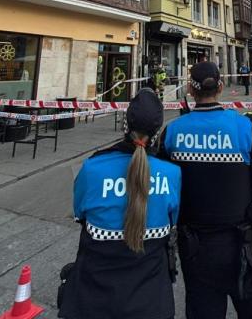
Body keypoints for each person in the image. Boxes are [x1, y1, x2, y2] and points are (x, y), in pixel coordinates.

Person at [160, 62, 252, 318]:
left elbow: (161, 190)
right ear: (222, 87)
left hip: (195, 248)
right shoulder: (243, 127)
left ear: (191, 91)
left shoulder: (172, 131)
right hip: (242, 246)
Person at [60, 88, 182, 319]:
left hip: (94, 298)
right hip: (151, 301)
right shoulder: (171, 174)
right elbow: (172, 219)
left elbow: (80, 214)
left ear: (126, 125)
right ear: (157, 133)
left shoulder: (92, 168)